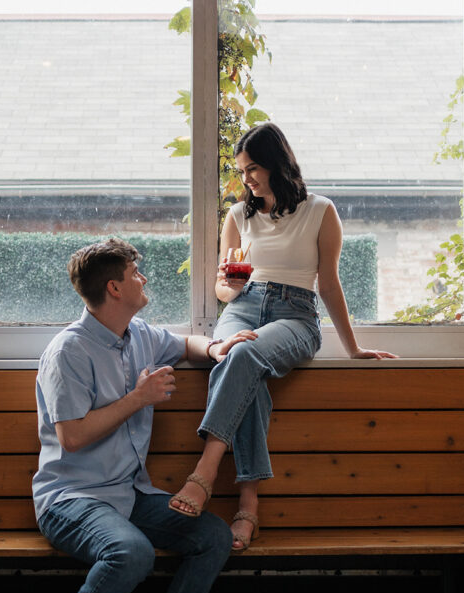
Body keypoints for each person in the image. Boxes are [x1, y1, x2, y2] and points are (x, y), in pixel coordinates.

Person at [33, 238, 252, 593]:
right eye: (136, 273)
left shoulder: (140, 335)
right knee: (130, 552)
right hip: (72, 498)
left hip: (128, 494)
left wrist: (217, 347)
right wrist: (138, 398)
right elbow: (70, 437)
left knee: (212, 537)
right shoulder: (68, 351)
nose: (143, 278)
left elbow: (186, 345)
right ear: (114, 287)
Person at [169, 123, 397, 550]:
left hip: (295, 313)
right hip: (242, 307)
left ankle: (205, 470)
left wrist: (353, 348)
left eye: (253, 168)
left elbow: (328, 283)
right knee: (239, 357)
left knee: (244, 355)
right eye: (241, 171)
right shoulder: (238, 216)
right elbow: (224, 289)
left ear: (277, 163)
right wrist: (230, 286)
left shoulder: (320, 210)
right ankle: (249, 504)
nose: (247, 179)